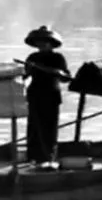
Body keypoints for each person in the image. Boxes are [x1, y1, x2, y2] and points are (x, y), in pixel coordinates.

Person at [22, 25, 70, 165]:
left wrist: (55, 72)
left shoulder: (58, 58)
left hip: (51, 96)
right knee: (34, 128)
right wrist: (27, 70)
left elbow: (66, 77)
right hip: (35, 95)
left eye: (45, 43)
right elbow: (25, 76)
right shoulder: (32, 57)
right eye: (39, 43)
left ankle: (49, 157)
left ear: (51, 44)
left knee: (49, 128)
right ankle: (32, 157)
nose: (41, 45)